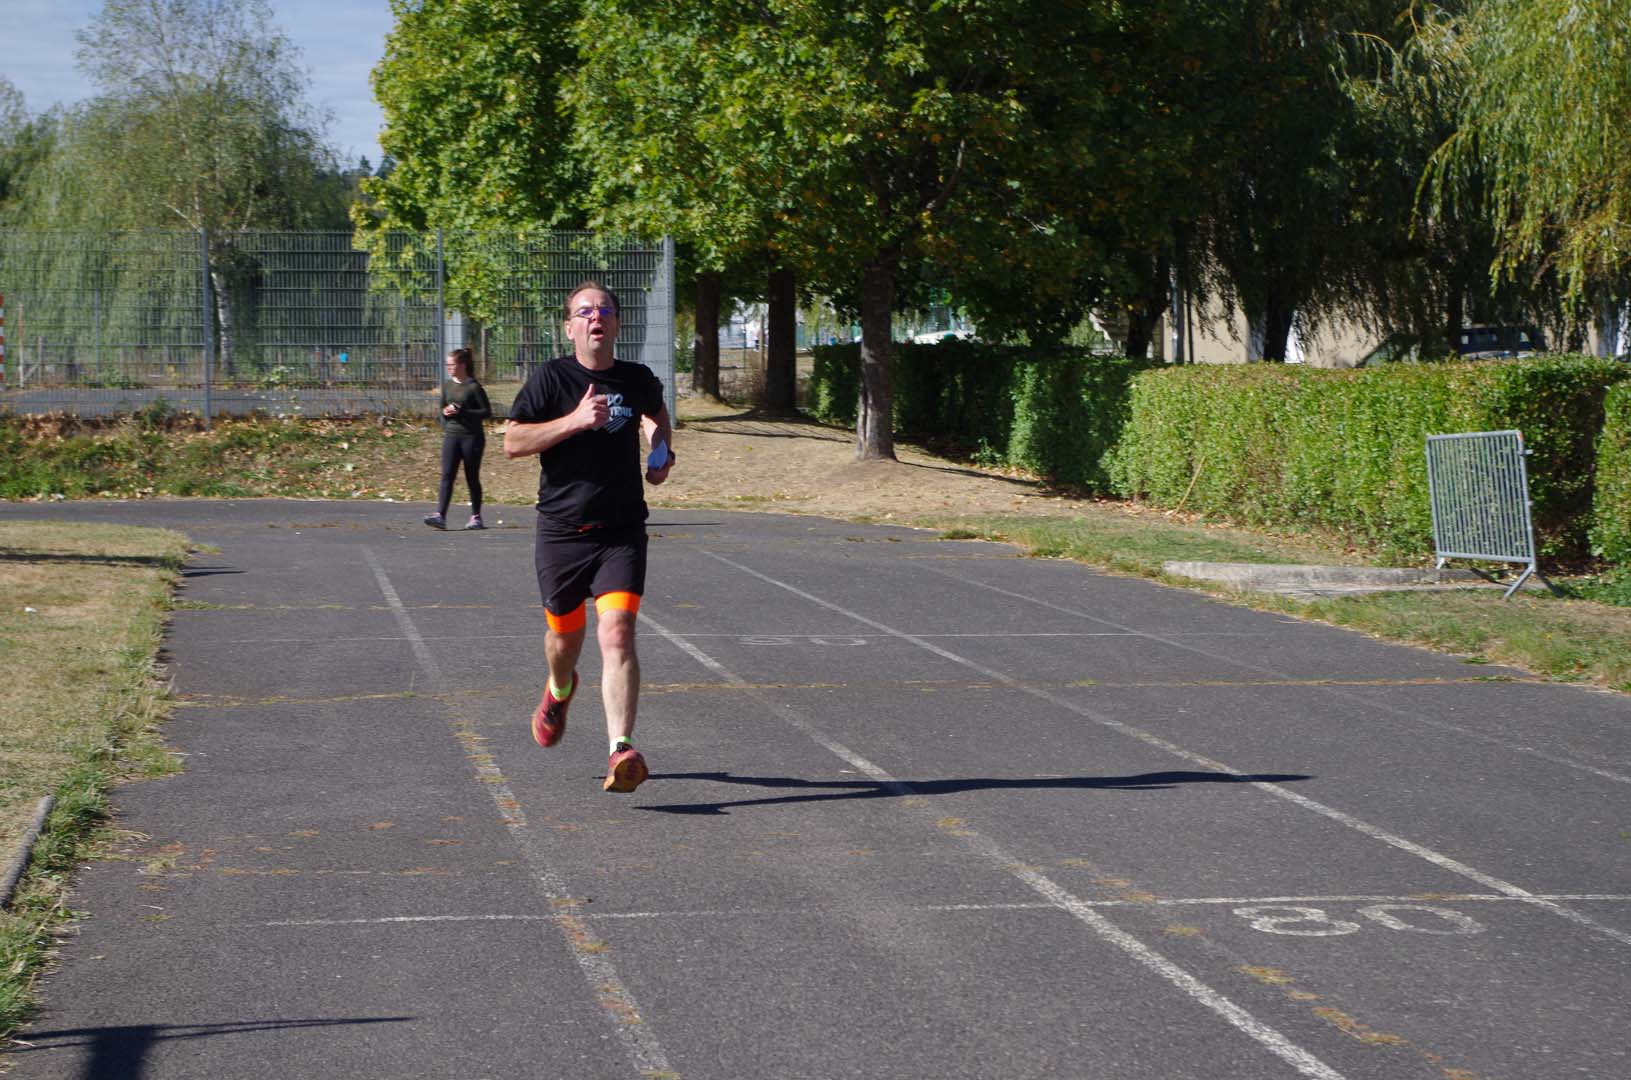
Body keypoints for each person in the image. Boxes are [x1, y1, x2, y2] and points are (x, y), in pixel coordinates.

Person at [503, 282, 675, 793]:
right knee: (564, 641)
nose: (595, 317)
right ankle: (559, 690)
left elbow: (657, 419)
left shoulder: (637, 378)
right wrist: (575, 421)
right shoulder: (552, 378)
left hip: (620, 531)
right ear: (570, 326)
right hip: (561, 532)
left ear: (617, 324)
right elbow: (513, 441)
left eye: (604, 310)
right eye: (584, 311)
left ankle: (621, 749)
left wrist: (660, 452)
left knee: (618, 632)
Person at [424, 347, 492, 531]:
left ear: (462, 365)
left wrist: (464, 412)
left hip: (472, 437)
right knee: (447, 475)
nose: (448, 367)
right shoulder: (447, 386)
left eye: (451, 364)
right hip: (452, 436)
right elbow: (441, 409)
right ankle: (440, 515)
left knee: (472, 476)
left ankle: (476, 517)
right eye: (447, 364)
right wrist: (445, 414)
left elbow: (487, 412)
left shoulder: (473, 386)